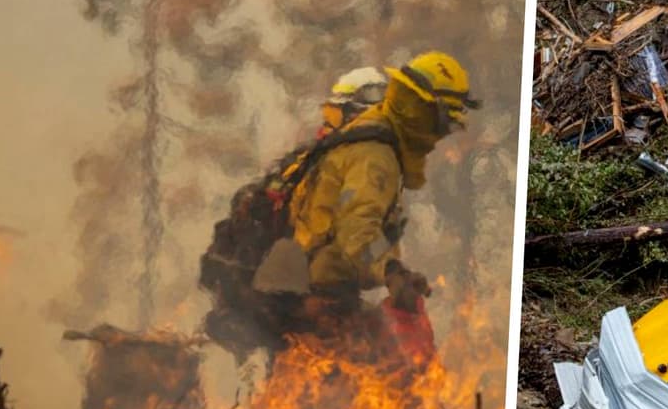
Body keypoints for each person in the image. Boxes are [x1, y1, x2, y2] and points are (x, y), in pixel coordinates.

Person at [287, 51, 480, 358]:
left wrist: (396, 270)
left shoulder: (374, 139)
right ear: (424, 112)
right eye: (444, 124)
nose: (440, 136)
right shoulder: (375, 155)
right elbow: (356, 228)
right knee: (392, 366)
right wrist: (391, 272)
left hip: (313, 293)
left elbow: (361, 226)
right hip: (312, 301)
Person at [199, 66, 389, 360]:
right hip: (302, 301)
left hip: (281, 303)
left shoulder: (310, 159)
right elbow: (328, 236)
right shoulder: (334, 166)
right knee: (377, 355)